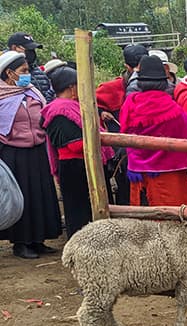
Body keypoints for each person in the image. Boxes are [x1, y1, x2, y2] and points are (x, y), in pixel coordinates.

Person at [0, 51, 62, 259]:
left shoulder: (32, 92)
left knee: (41, 194)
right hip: (14, 154)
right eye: (23, 71)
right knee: (22, 198)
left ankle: (39, 239)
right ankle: (21, 242)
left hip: (37, 150)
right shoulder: (1, 97)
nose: (28, 75)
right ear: (9, 73)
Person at [40, 66, 115, 237]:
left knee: (95, 207)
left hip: (88, 163)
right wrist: (100, 140)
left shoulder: (76, 107)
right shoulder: (59, 111)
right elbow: (74, 144)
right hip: (76, 167)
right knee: (79, 209)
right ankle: (81, 246)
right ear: (72, 88)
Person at [119, 55, 187, 206]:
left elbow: (124, 132)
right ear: (165, 82)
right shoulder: (172, 108)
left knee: (145, 221)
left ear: (139, 81)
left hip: (139, 172)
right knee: (173, 220)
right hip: (169, 174)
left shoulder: (130, 104)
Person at [95, 44, 148, 206]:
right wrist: (101, 113)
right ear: (127, 67)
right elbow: (89, 105)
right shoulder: (110, 88)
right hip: (122, 147)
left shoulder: (155, 83)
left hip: (147, 143)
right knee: (125, 185)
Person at [7, 32, 53, 102]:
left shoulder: (40, 73)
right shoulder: (5, 76)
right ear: (14, 48)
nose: (32, 53)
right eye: (28, 50)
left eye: (33, 50)